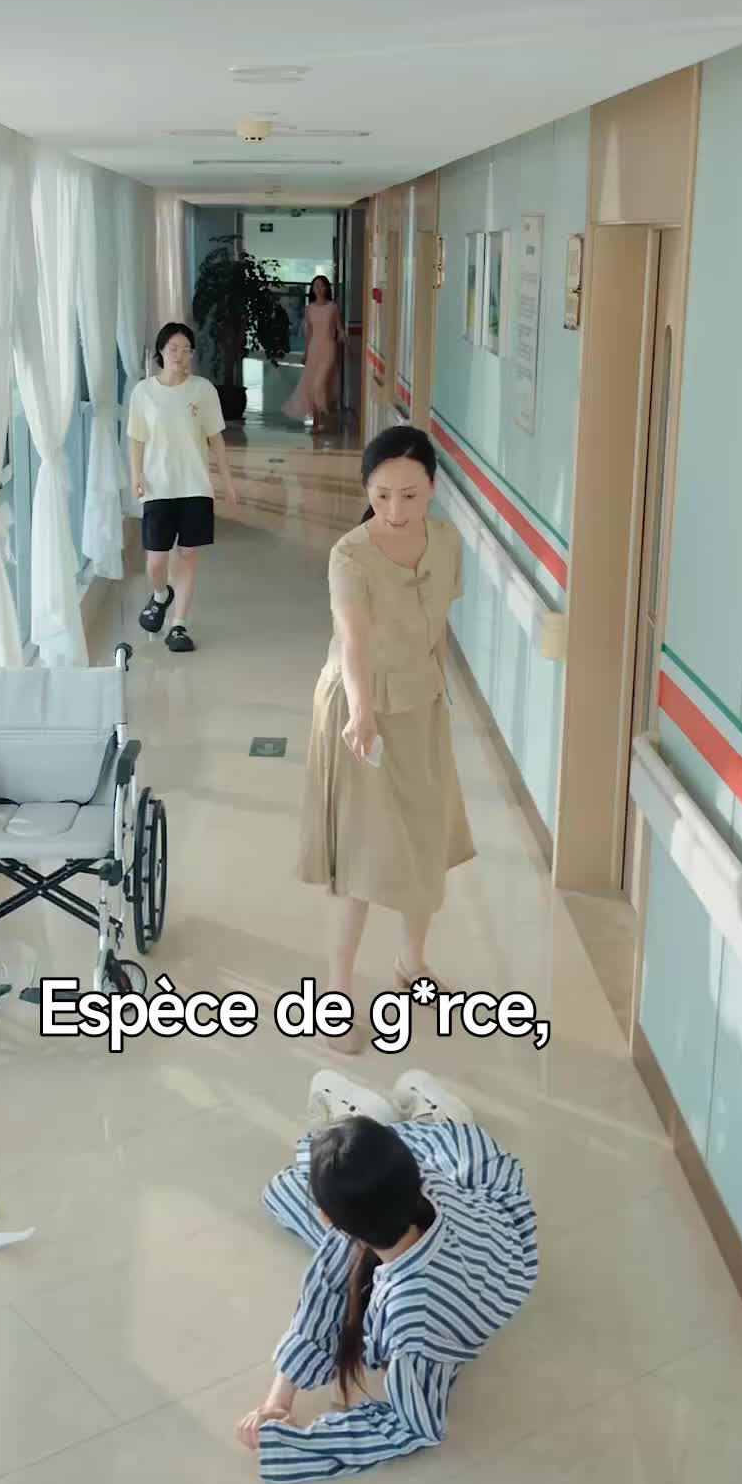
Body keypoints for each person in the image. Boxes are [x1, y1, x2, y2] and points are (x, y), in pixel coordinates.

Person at [235, 1069, 538, 1482]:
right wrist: (278, 1401)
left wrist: (297, 1443)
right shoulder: (413, 1188)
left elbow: (414, 1424)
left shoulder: (415, 1320)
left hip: (473, 1239)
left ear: (330, 1221)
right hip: (475, 1214)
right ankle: (400, 1127)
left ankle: (427, 1119)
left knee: (282, 1192)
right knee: (291, 1191)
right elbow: (328, 1290)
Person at [298, 425, 475, 1049]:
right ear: (366, 491)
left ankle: (410, 964)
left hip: (420, 703)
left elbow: (436, 625)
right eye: (381, 496)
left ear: (433, 488)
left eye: (410, 495)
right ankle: (337, 997)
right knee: (362, 858)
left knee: (425, 840)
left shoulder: (447, 543)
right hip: (360, 712)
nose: (395, 510)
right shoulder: (349, 555)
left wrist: (434, 689)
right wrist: (362, 712)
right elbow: (354, 639)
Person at [127, 322, 238, 654]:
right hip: (158, 486)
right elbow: (136, 439)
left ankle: (178, 624)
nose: (179, 355)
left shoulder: (203, 390)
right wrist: (136, 475)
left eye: (186, 350)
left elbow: (216, 438)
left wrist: (227, 480)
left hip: (195, 486)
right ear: (161, 351)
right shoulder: (143, 393)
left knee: (188, 555)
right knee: (156, 561)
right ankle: (161, 595)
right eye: (173, 348)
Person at [283, 275, 345, 431]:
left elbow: (339, 328)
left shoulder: (333, 307)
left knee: (319, 384)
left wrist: (343, 339)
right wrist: (305, 353)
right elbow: (309, 334)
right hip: (314, 349)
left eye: (322, 286)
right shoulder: (309, 309)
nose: (319, 289)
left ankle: (325, 415)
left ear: (327, 288)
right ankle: (317, 422)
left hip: (329, 349)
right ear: (312, 289)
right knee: (312, 385)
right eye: (316, 286)